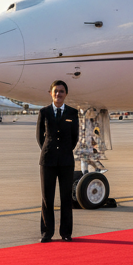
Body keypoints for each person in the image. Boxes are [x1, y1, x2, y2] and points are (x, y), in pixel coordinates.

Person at [36, 80, 80, 242]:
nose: (58, 94)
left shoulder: (72, 113)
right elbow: (40, 137)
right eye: (55, 91)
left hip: (66, 161)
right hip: (47, 161)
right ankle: (47, 233)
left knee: (66, 198)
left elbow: (75, 137)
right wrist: (49, 151)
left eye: (61, 91)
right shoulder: (44, 112)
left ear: (66, 94)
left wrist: (63, 152)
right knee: (47, 198)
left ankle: (66, 233)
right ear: (50, 93)